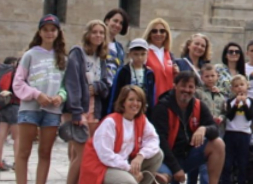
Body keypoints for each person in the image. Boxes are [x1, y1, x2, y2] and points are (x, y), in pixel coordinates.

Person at [13, 15, 68, 184]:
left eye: (53, 29)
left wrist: (60, 96)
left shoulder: (63, 58)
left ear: (58, 32)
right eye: (46, 29)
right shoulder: (30, 55)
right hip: (30, 108)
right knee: (23, 152)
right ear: (40, 32)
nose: (49, 33)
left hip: (52, 110)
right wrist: (36, 94)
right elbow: (18, 83)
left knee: (45, 153)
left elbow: (65, 86)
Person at [78, 85, 166, 184]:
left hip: (123, 162)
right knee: (129, 182)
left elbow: (153, 139)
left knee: (158, 154)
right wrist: (129, 168)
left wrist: (140, 156)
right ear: (123, 102)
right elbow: (106, 156)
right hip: (103, 166)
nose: (135, 103)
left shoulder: (141, 120)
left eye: (138, 100)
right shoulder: (110, 122)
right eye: (131, 100)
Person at [151, 71, 225, 184]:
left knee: (218, 143)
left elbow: (214, 129)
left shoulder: (199, 105)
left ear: (195, 89)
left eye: (191, 87)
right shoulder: (162, 108)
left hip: (187, 155)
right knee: (163, 178)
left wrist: (203, 129)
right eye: (183, 86)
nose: (187, 90)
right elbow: (161, 142)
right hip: (166, 159)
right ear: (175, 86)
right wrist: (176, 169)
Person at [64, 20, 111, 184]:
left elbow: (106, 84)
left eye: (101, 32)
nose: (98, 35)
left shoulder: (102, 57)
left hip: (94, 108)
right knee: (82, 153)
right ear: (88, 34)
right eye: (95, 32)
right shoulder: (77, 53)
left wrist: (96, 87)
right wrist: (76, 110)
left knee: (85, 153)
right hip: (78, 108)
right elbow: (72, 82)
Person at [221, 74, 253, 184]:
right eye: (236, 86)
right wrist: (236, 104)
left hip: (244, 134)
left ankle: (241, 180)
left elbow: (250, 116)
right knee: (228, 161)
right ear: (232, 89)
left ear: (247, 86)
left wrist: (244, 103)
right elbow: (230, 117)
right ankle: (226, 181)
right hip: (231, 133)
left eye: (242, 85)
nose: (239, 87)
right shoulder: (230, 101)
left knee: (242, 161)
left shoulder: (251, 101)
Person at [108, 39, 157, 116]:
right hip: (125, 111)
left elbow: (152, 97)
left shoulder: (149, 73)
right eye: (136, 54)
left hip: (143, 112)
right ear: (130, 54)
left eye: (142, 54)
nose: (139, 57)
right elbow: (115, 93)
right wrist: (112, 113)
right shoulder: (123, 71)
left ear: (147, 54)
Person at [143, 18, 176, 99]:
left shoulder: (169, 55)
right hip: (151, 100)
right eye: (154, 31)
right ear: (149, 34)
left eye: (162, 31)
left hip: (168, 101)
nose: (158, 34)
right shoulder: (144, 53)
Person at [103, 8, 130, 99]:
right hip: (99, 91)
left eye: (121, 23)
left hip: (112, 93)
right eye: (115, 21)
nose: (117, 25)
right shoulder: (98, 42)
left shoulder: (119, 49)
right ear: (107, 21)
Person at [0, 57, 20, 171]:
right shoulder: (16, 72)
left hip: (2, 105)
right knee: (18, 137)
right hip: (14, 105)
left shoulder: (3, 70)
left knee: (1, 137)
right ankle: (18, 164)